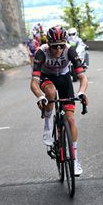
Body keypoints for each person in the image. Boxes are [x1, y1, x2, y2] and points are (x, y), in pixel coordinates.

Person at [30, 26, 88, 176]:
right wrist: (40, 96)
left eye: (61, 46)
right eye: (54, 47)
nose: (57, 50)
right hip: (46, 77)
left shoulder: (70, 51)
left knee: (71, 120)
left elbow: (82, 77)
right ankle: (48, 125)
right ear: (48, 44)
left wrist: (81, 93)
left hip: (64, 78)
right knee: (50, 92)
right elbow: (34, 82)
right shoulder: (41, 52)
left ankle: (74, 160)